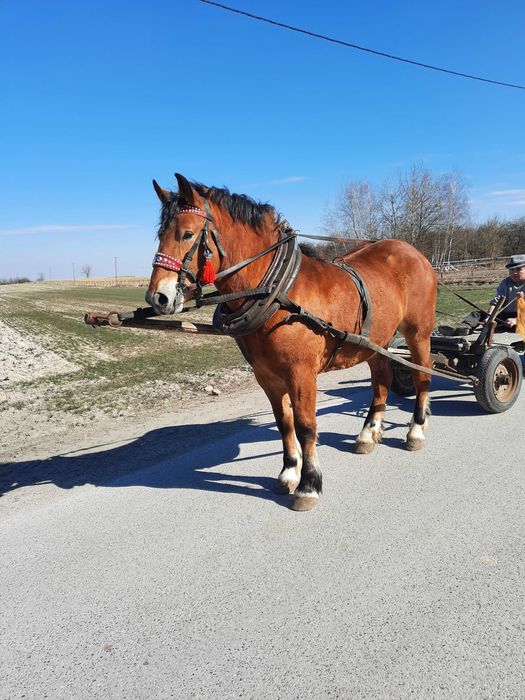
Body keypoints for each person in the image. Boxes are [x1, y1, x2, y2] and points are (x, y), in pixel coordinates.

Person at [439, 254, 525, 335]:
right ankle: (463, 328)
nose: (515, 273)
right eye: (512, 270)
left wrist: (516, 320)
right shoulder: (505, 283)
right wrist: (489, 317)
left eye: (519, 269)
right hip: (506, 317)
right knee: (478, 314)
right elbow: (496, 303)